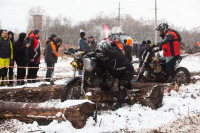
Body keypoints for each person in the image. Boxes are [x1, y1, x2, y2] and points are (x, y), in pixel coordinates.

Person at [96, 40, 134, 111]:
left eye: (103, 53)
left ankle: (119, 104)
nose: (101, 55)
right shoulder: (103, 56)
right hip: (115, 72)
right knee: (105, 85)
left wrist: (112, 46)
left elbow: (116, 51)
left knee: (122, 85)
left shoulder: (115, 53)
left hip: (126, 72)